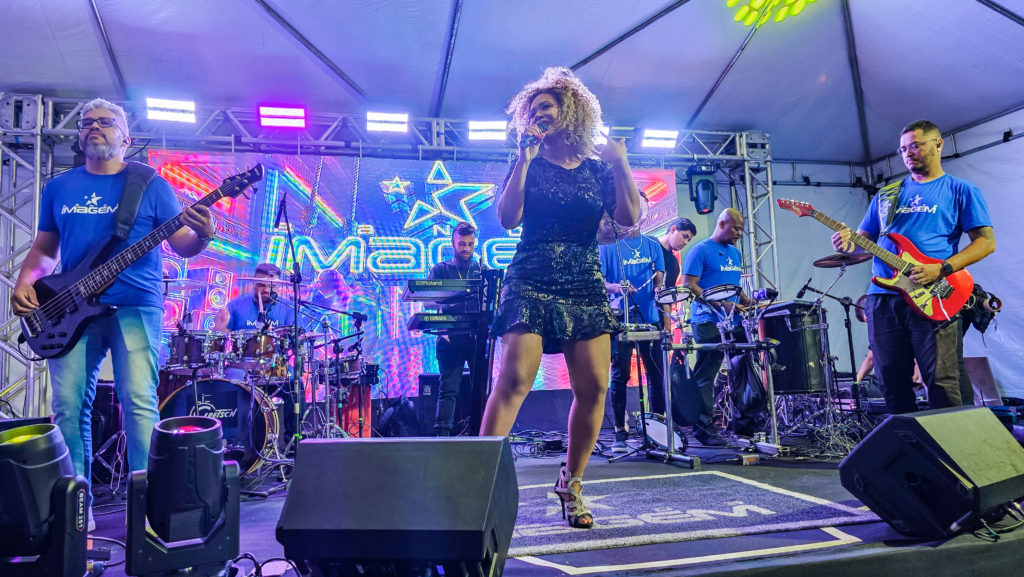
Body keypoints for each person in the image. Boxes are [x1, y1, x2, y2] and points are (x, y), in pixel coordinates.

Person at [10, 99, 216, 530]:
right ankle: (74, 511)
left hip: (135, 305)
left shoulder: (151, 184)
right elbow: (45, 249)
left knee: (138, 403)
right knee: (68, 407)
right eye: (87, 123)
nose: (94, 127)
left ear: (126, 137)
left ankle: (147, 511)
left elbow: (182, 243)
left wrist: (204, 235)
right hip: (69, 309)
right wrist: (26, 280)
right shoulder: (59, 187)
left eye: (105, 122)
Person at [481, 67, 641, 529]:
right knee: (515, 380)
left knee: (594, 388)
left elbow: (628, 217)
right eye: (533, 109)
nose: (539, 114)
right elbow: (508, 220)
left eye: (547, 107)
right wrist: (523, 159)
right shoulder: (527, 161)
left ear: (570, 111)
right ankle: (478, 482)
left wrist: (619, 162)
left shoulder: (596, 168)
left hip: (583, 279)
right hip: (531, 276)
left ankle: (571, 483)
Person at [832, 120, 995, 413]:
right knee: (891, 381)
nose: (908, 153)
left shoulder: (960, 190)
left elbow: (985, 242)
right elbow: (863, 245)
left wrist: (942, 269)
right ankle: (907, 440)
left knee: (942, 382)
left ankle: (951, 442)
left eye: (915, 146)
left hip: (932, 294)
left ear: (938, 144)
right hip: (883, 298)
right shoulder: (886, 195)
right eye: (903, 149)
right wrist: (847, 245)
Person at [681, 208, 751, 446]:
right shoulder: (700, 250)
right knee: (706, 374)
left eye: (741, 229)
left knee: (743, 370)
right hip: (706, 320)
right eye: (736, 228)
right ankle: (704, 430)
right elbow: (689, 284)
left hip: (733, 321)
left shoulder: (735, 253)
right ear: (721, 224)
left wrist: (749, 302)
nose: (739, 233)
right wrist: (721, 304)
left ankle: (745, 424)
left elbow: (734, 286)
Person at [599, 231, 664, 453]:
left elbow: (659, 273)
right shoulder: (608, 246)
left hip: (650, 318)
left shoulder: (652, 244)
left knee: (656, 374)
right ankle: (620, 431)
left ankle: (658, 430)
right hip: (620, 319)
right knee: (620, 375)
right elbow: (600, 282)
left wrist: (659, 287)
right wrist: (616, 287)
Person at [427, 221, 485, 436]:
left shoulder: (481, 270)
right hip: (450, 339)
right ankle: (442, 438)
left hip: (477, 338)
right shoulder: (441, 269)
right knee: (448, 390)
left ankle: (485, 434)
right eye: (462, 244)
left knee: (482, 388)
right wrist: (451, 303)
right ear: (453, 243)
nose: (466, 249)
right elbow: (427, 302)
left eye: (470, 244)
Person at [657, 218, 698, 289]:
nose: (686, 242)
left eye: (688, 240)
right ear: (673, 229)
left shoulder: (674, 265)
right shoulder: (648, 243)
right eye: (684, 236)